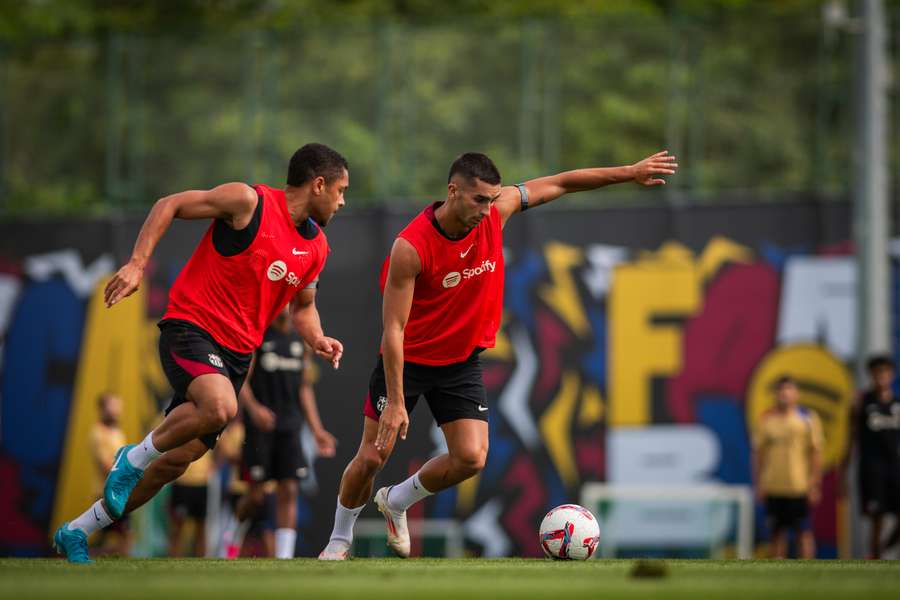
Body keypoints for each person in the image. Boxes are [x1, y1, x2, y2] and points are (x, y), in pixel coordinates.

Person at [318, 149, 678, 560]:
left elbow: (560, 183)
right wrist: (396, 402)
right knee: (371, 457)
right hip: (409, 360)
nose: (487, 209)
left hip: (459, 362)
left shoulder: (496, 211)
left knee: (471, 457)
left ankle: (396, 500)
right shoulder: (412, 247)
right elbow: (394, 330)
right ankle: (339, 541)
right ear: (453, 192)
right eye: (478, 200)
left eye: (492, 199)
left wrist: (628, 172)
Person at [53, 143, 348, 563]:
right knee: (220, 407)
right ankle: (131, 457)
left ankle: (78, 531)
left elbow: (304, 309)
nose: (341, 201)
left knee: (173, 464)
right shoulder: (249, 201)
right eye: (340, 190)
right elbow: (169, 204)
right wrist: (137, 263)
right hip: (191, 328)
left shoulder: (316, 247)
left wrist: (317, 339)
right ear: (318, 184)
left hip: (237, 356)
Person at [222, 308, 337, 559]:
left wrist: (317, 430)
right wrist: (255, 410)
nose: (286, 306)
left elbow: (304, 388)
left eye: (290, 302)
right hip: (261, 427)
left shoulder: (300, 342)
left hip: (290, 426)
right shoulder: (259, 338)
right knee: (255, 496)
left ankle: (284, 557)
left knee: (289, 489)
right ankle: (231, 534)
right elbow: (241, 383)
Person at [752, 376, 823, 559]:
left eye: (789, 389)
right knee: (776, 533)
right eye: (781, 390)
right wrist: (759, 483)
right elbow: (758, 453)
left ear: (796, 394)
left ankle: (810, 576)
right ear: (776, 394)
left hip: (799, 486)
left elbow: (815, 452)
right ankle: (776, 577)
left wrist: (814, 483)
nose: (784, 393)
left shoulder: (807, 418)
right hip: (774, 485)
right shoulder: (766, 418)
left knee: (804, 532)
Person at [854, 355, 900, 558]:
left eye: (886, 372)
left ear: (892, 374)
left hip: (896, 467)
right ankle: (875, 558)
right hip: (872, 468)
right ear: (871, 375)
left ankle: (884, 547)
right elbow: (851, 437)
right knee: (877, 517)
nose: (882, 376)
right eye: (877, 372)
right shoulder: (862, 403)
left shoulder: (897, 404)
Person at [89, 393, 131, 557]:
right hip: (105, 493)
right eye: (112, 406)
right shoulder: (98, 433)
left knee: (121, 534)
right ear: (102, 409)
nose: (116, 410)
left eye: (118, 406)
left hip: (119, 492)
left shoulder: (117, 432)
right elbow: (106, 466)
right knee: (117, 535)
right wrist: (131, 473)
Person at [167, 450, 214, 557]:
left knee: (201, 526)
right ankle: (173, 560)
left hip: (202, 482)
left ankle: (202, 563)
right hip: (182, 481)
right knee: (177, 526)